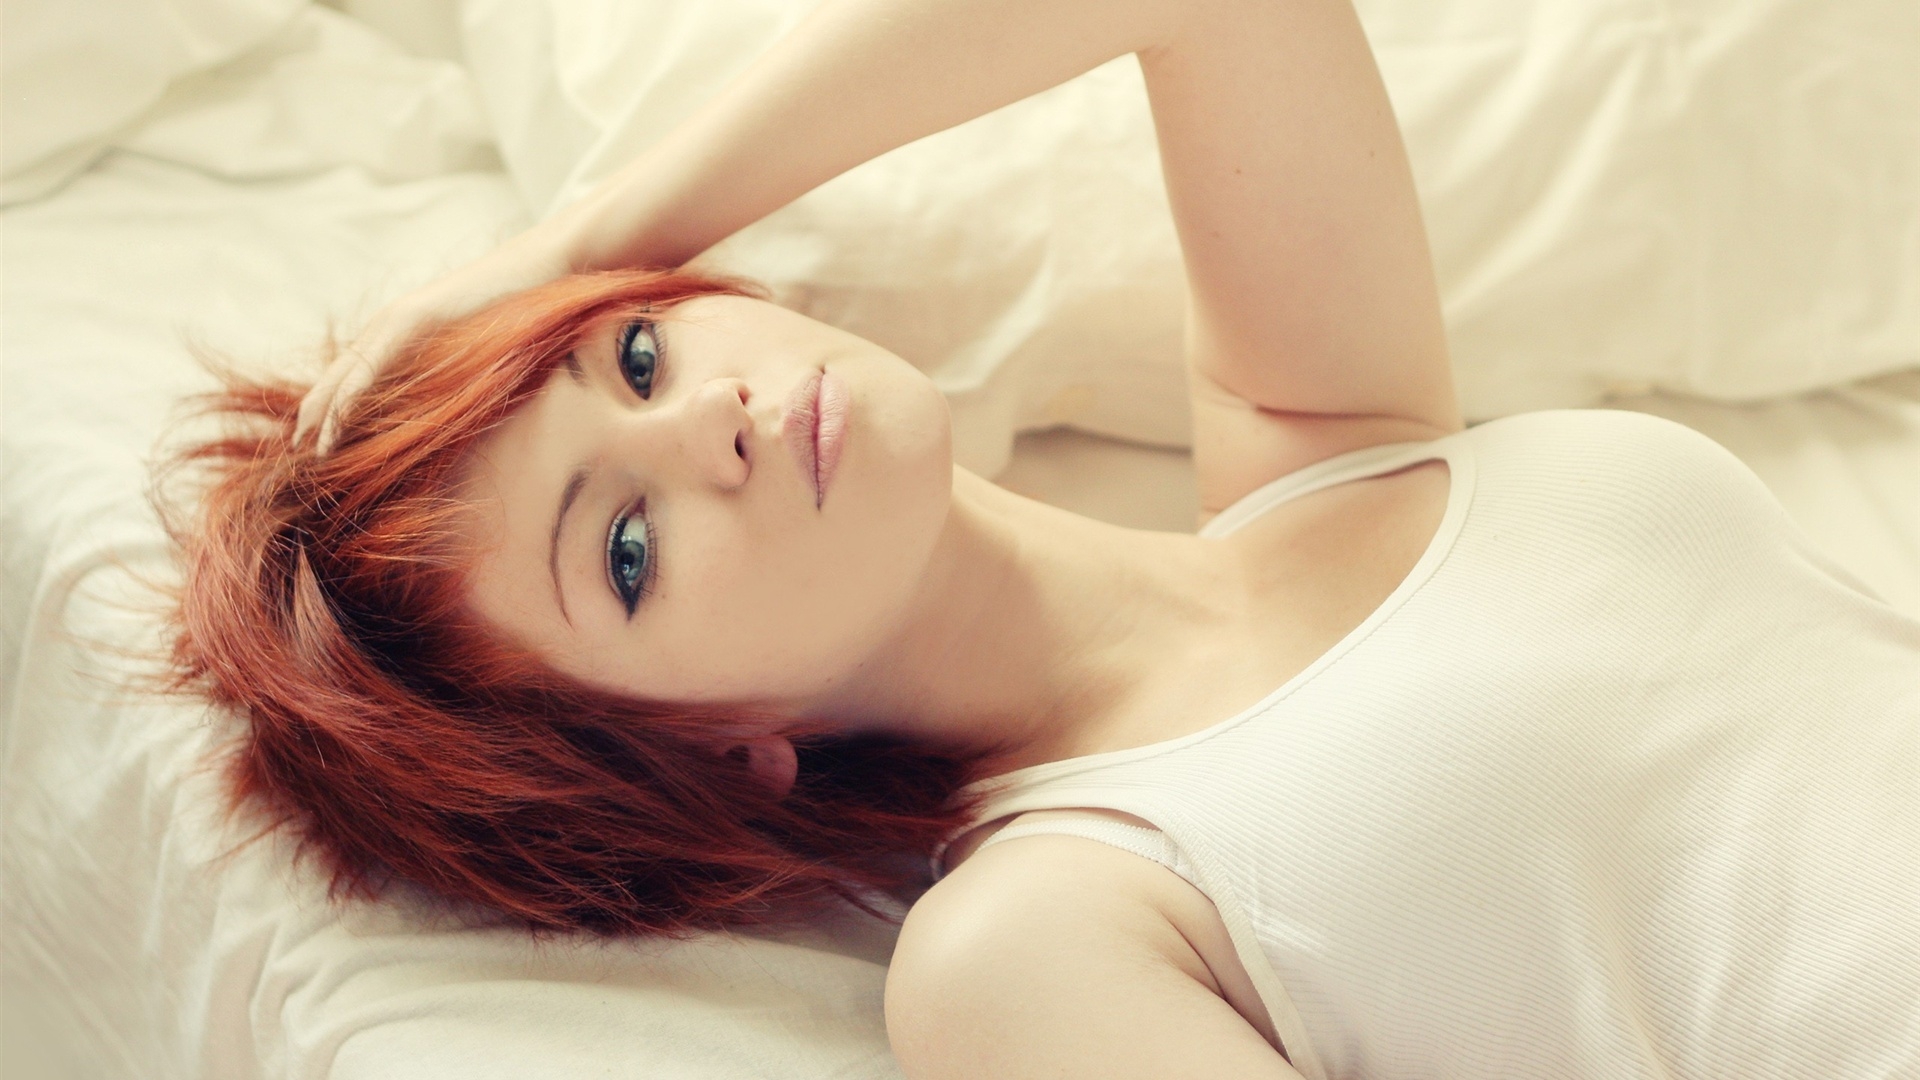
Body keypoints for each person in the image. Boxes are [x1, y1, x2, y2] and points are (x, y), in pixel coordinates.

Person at [166, 0, 1920, 1076]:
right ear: (705, 753)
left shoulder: (1343, 440)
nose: (705, 422)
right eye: (624, 549)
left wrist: (586, 236)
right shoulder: (1036, 938)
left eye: (633, 355)